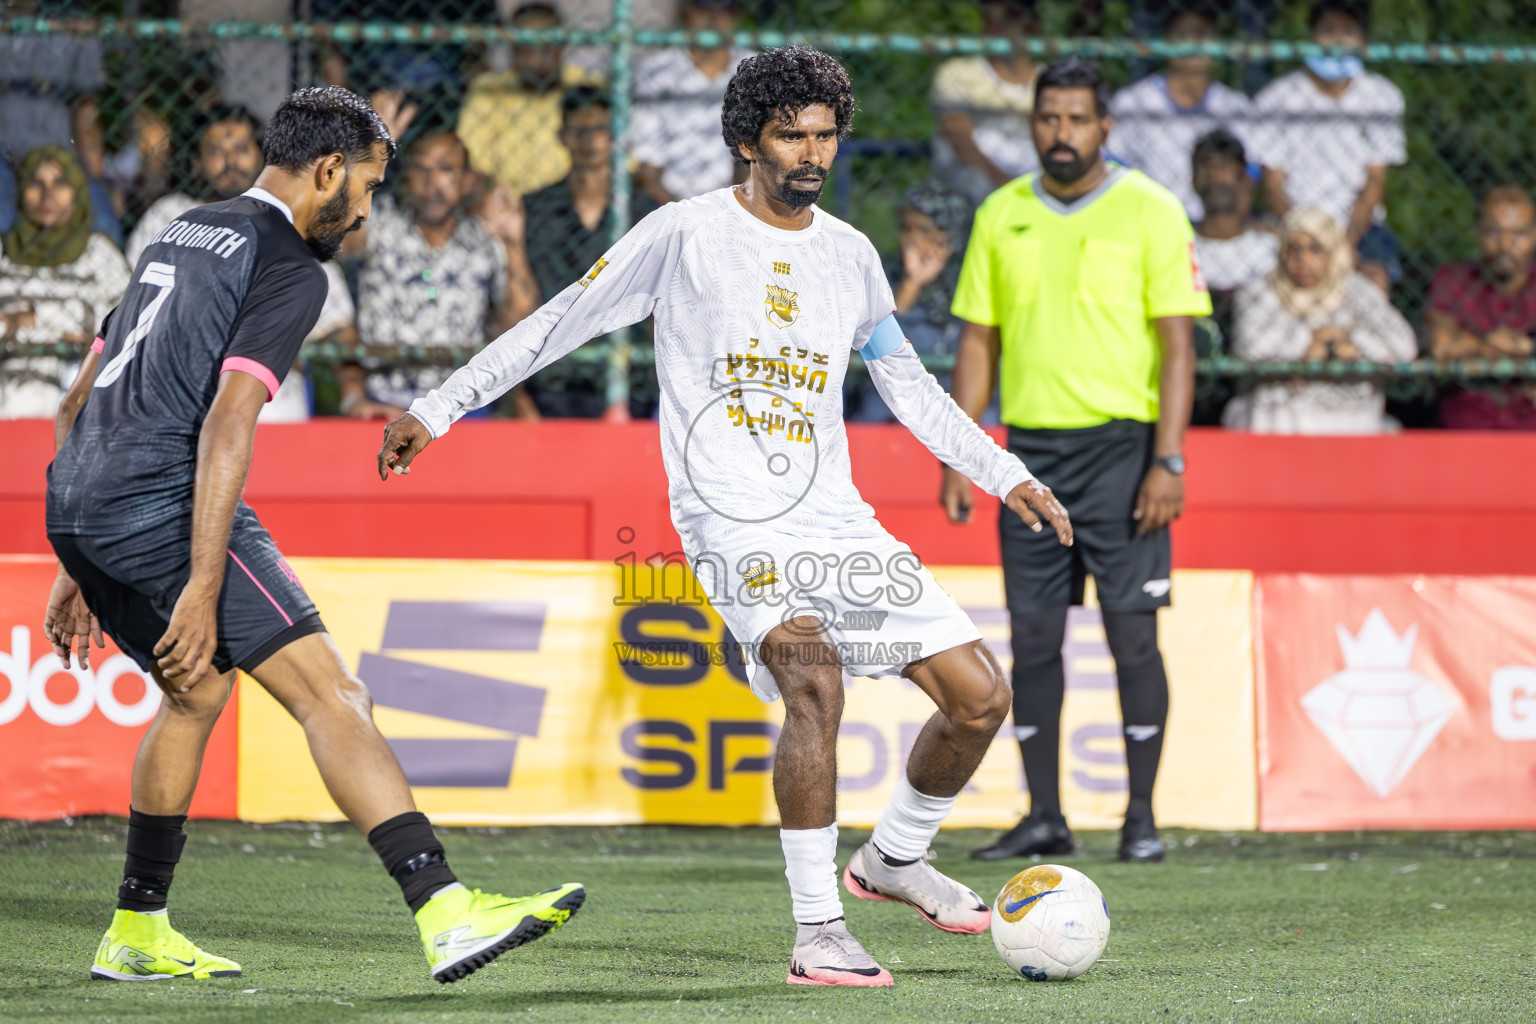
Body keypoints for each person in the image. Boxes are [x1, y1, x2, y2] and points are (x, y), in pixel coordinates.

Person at [377, 47, 1072, 988]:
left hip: (836, 518)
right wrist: (440, 405)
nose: (811, 153)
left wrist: (1003, 472)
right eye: (792, 134)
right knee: (813, 680)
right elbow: (558, 321)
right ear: (748, 139)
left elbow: (911, 389)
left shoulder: (852, 256)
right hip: (731, 520)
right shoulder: (683, 233)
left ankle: (893, 861)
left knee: (980, 697)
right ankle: (818, 928)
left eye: (826, 134)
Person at [43, 86, 582, 986]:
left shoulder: (176, 232)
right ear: (328, 169)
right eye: (368, 184)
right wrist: (204, 585)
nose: (368, 209)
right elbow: (226, 424)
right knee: (333, 693)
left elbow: (78, 399)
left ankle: (137, 929)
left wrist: (76, 555)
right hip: (161, 497)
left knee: (194, 694)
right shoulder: (289, 264)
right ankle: (445, 909)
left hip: (81, 496)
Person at [947, 58, 1210, 866]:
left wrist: (1169, 459)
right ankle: (1045, 816)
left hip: (1124, 454)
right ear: (1032, 123)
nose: (1061, 133)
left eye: (1077, 119)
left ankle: (1140, 817)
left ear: (1106, 127)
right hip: (1028, 457)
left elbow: (1177, 344)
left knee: (1132, 637)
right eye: (1047, 118)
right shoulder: (1001, 212)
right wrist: (964, 451)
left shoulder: (1153, 211)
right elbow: (978, 339)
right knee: (1032, 642)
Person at [125, 104, 354, 423]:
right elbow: (130, 299)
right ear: (196, 163)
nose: (231, 161)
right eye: (216, 151)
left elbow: (338, 324)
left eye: (241, 149)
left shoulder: (292, 221)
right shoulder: (170, 215)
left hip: (272, 396)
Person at [347, 131, 536, 419]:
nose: (432, 184)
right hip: (385, 402)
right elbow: (340, 241)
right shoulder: (380, 223)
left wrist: (513, 244)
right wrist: (367, 163)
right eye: (421, 170)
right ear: (407, 177)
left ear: (467, 181)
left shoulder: (484, 240)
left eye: (445, 170)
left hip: (462, 405)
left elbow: (521, 320)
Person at [516, 86, 659, 417]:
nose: (590, 140)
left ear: (617, 138)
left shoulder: (645, 212)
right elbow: (521, 302)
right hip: (551, 375)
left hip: (629, 380)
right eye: (580, 130)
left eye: (601, 130)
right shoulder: (534, 210)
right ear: (563, 136)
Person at [1253, 0, 1405, 288]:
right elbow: (1272, 185)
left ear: (1362, 41)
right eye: (1327, 30)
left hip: (1359, 226)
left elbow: (1374, 183)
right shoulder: (1276, 99)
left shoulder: (1383, 97)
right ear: (1311, 38)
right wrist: (1307, 239)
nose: (1336, 40)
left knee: (1373, 277)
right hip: (1292, 220)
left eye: (1347, 31)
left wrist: (1344, 243)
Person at [1223, 207, 1416, 434]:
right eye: (1294, 249)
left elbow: (1404, 347)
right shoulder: (1260, 291)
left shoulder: (1359, 292)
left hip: (1353, 425)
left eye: (1315, 250)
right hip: (1278, 425)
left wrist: (1351, 341)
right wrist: (1306, 341)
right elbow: (1250, 347)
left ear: (1334, 251)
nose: (1303, 259)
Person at [0, 145, 130, 418]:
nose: (48, 195)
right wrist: (75, 318)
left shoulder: (99, 252)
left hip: (81, 382)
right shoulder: (3, 251)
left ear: (77, 191)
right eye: (37, 183)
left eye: (60, 183)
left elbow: (125, 324)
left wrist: (26, 320)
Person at [845, 181, 981, 423]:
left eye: (924, 230)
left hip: (951, 403)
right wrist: (911, 285)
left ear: (949, 236)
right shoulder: (885, 274)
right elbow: (877, 347)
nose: (910, 239)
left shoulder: (973, 278)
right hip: (889, 405)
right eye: (907, 228)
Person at [1108, 2, 1256, 223]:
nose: (1193, 43)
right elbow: (1111, 170)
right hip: (1148, 224)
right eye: (1182, 34)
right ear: (1166, 42)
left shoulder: (1235, 107)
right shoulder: (1132, 102)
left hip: (1215, 226)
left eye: (1202, 34)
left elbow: (1249, 177)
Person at [457, 2, 603, 197]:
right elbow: (472, 166)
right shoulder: (488, 91)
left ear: (562, 44)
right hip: (509, 204)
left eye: (546, 46)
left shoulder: (589, 87)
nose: (537, 57)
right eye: (527, 48)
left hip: (576, 201)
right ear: (512, 47)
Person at [1429, 186, 1536, 431]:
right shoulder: (1454, 279)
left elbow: (1457, 344)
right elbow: (1442, 344)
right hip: (1469, 414)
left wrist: (1528, 344)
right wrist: (1492, 345)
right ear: (1479, 232)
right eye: (1494, 232)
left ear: (1534, 235)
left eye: (1518, 234)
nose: (1505, 244)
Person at [630, 0, 753, 204]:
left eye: (725, 10)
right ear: (686, 12)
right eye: (704, 9)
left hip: (738, 205)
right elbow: (648, 170)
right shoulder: (655, 72)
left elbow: (757, 163)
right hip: (667, 205)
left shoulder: (755, 71)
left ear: (736, 14)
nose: (715, 19)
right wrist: (686, 220)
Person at [929, 0, 1042, 206]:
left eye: (1008, 19)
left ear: (1032, 25)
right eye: (990, 21)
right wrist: (1005, 187)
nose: (997, 29)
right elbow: (959, 138)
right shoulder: (959, 73)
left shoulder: (1048, 79)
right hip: (978, 181)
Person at [1190, 130, 1277, 317]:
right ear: (1193, 178)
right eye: (1206, 168)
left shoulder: (1269, 247)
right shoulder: (1181, 247)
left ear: (1245, 177)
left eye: (1224, 167)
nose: (1215, 176)